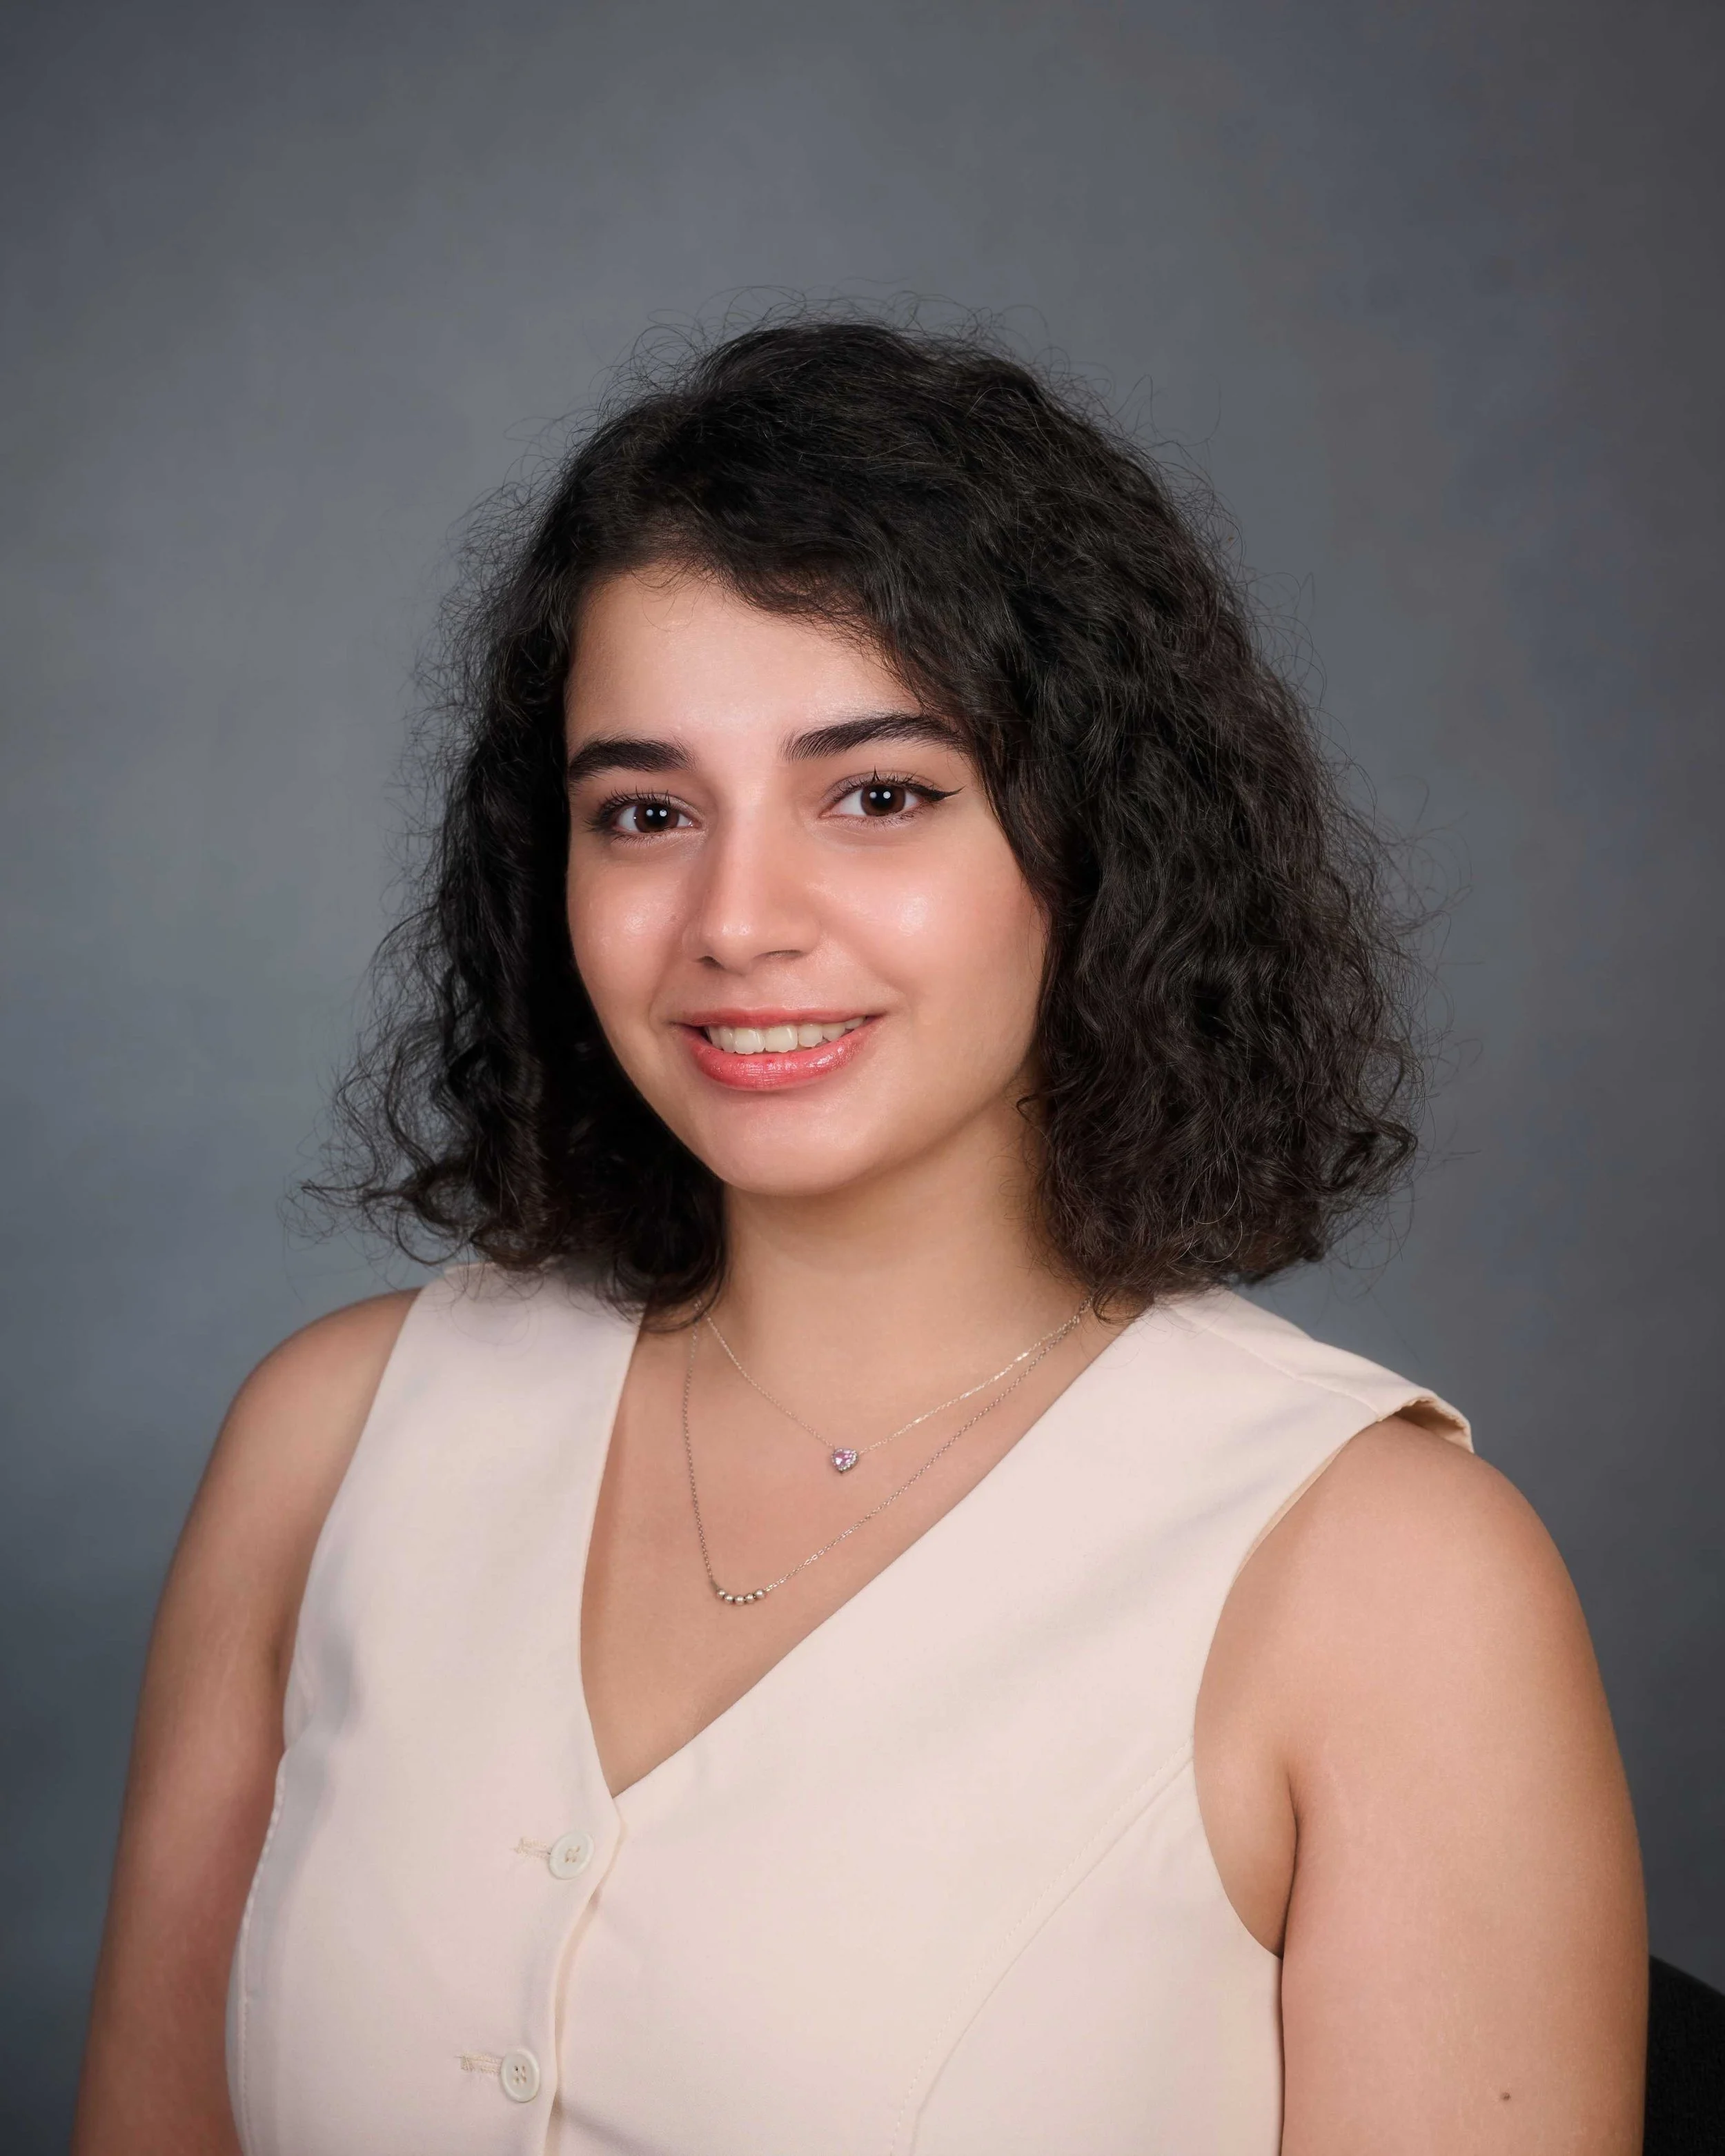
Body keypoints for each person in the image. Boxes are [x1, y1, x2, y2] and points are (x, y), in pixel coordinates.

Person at [72, 316, 1647, 2154]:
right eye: (645, 811)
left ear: (1098, 840)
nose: (736, 918)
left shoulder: (1389, 1581)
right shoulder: (327, 1441)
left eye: (879, 794)